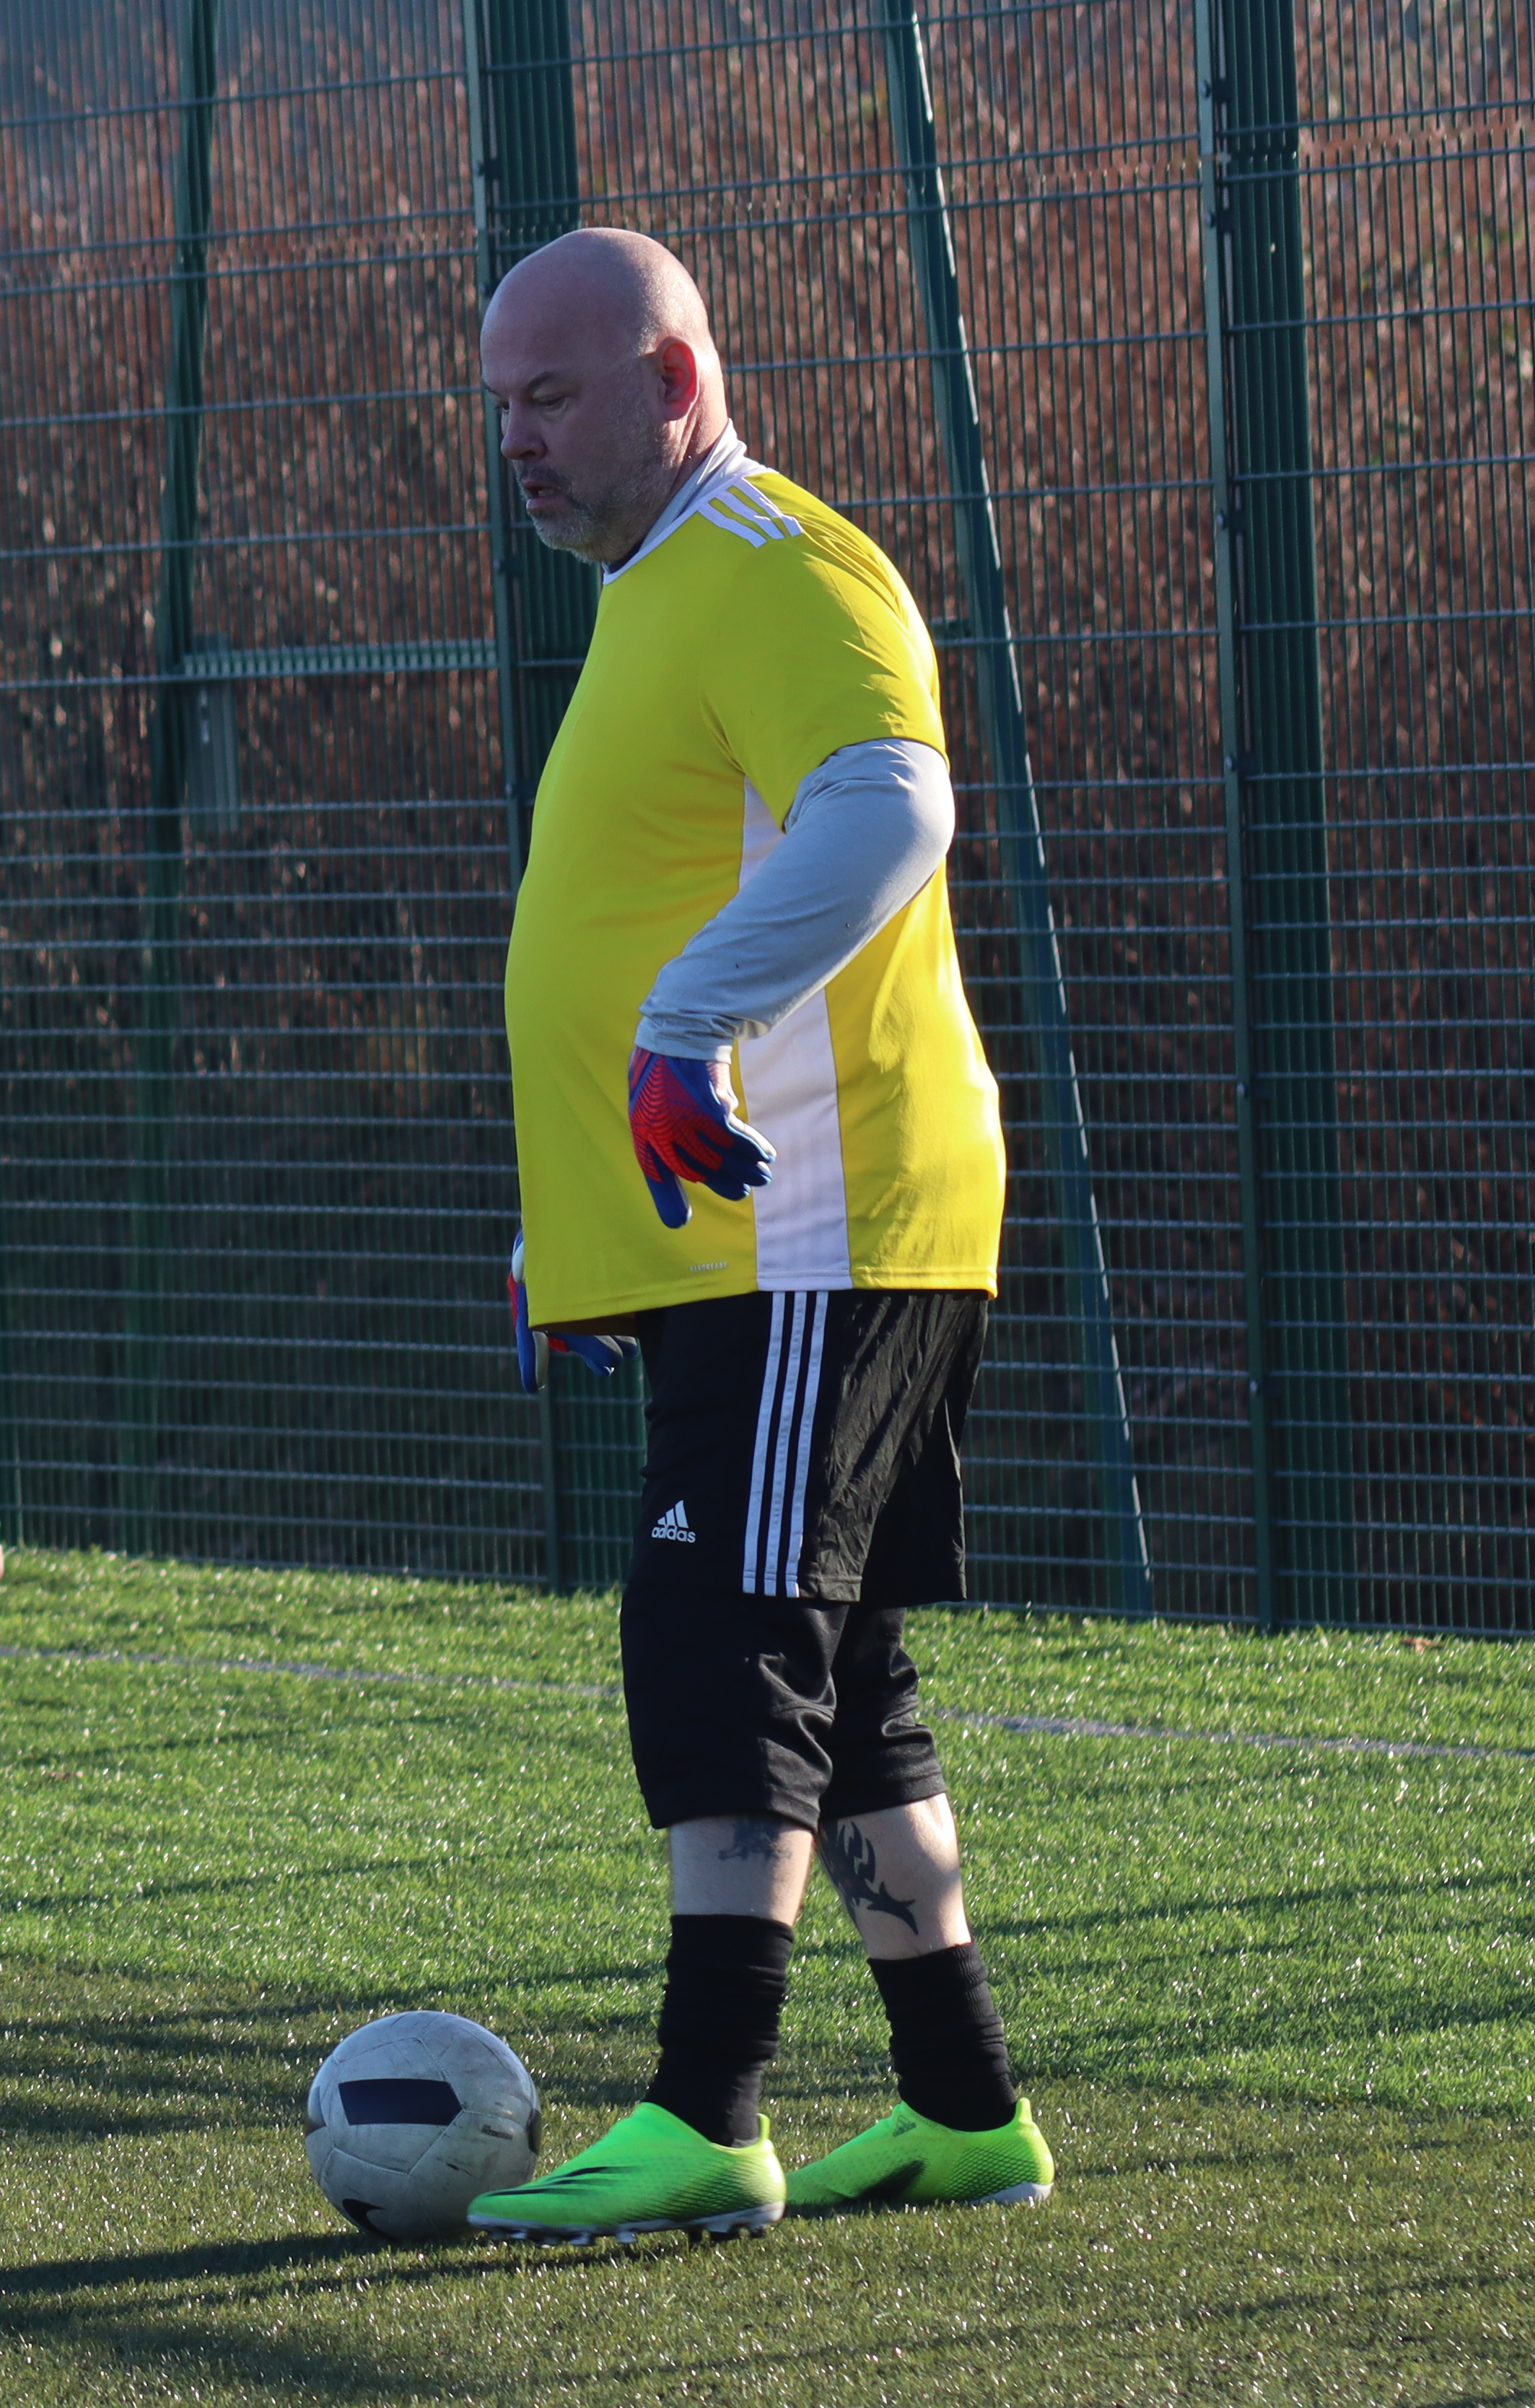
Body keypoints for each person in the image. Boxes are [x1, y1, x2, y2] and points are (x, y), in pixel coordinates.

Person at [465, 228, 1054, 2244]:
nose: (516, 444)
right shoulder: (656, 594)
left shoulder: (778, 565)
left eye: (552, 398)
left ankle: (711, 2115)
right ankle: (962, 2104)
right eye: (499, 407)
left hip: (823, 1216)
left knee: (719, 1624)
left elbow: (890, 808)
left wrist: (685, 1025)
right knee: (838, 1645)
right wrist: (581, 1228)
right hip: (727, 1234)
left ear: (679, 381)